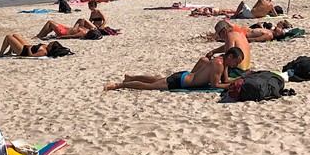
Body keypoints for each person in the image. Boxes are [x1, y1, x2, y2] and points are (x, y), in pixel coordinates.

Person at [104, 46, 245, 91]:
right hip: (182, 81)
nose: (236, 65)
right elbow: (215, 85)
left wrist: (241, 79)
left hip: (185, 76)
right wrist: (231, 85)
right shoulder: (218, 64)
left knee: (157, 80)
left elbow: (226, 80)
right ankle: (119, 85)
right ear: (230, 56)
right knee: (150, 86)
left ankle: (132, 77)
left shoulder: (224, 63)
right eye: (236, 62)